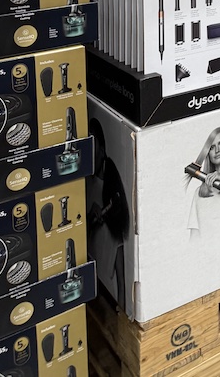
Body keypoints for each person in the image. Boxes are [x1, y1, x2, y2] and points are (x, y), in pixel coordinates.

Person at [87, 118, 128, 308]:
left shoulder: (113, 195)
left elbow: (121, 274)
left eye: (93, 147)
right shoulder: (86, 186)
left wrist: (121, 306)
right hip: (92, 286)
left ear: (102, 150)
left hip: (107, 295)